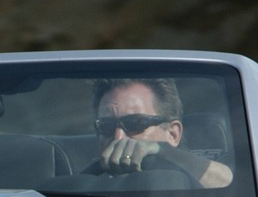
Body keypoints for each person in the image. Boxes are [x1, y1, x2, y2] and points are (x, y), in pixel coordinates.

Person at [90, 78, 233, 188]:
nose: (118, 137)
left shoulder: (193, 182)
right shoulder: (85, 187)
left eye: (136, 123)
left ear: (173, 134)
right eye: (105, 126)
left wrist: (161, 152)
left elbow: (229, 185)